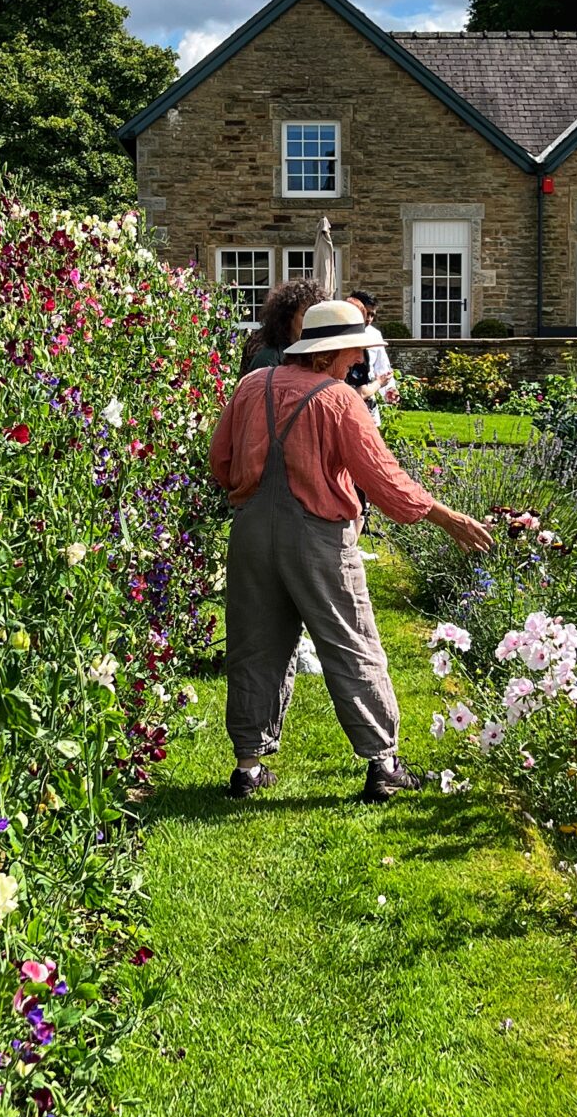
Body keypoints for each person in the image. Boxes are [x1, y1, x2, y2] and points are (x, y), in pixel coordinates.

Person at [209, 298, 492, 803]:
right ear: (329, 354)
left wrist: (254, 495)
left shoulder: (252, 386)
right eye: (354, 349)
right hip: (318, 538)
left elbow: (221, 459)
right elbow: (383, 478)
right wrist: (447, 517)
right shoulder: (340, 400)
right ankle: (383, 763)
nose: (360, 357)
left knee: (254, 644)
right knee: (350, 641)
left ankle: (247, 768)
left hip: (250, 533)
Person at [239, 277, 323, 377]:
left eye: (315, 316)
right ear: (288, 317)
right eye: (305, 315)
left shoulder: (317, 357)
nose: (311, 322)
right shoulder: (267, 360)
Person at [344, 289, 398, 424]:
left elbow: (383, 367)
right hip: (347, 396)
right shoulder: (341, 334)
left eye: (372, 315)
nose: (368, 319)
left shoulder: (375, 335)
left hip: (369, 397)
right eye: (366, 313)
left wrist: (390, 390)